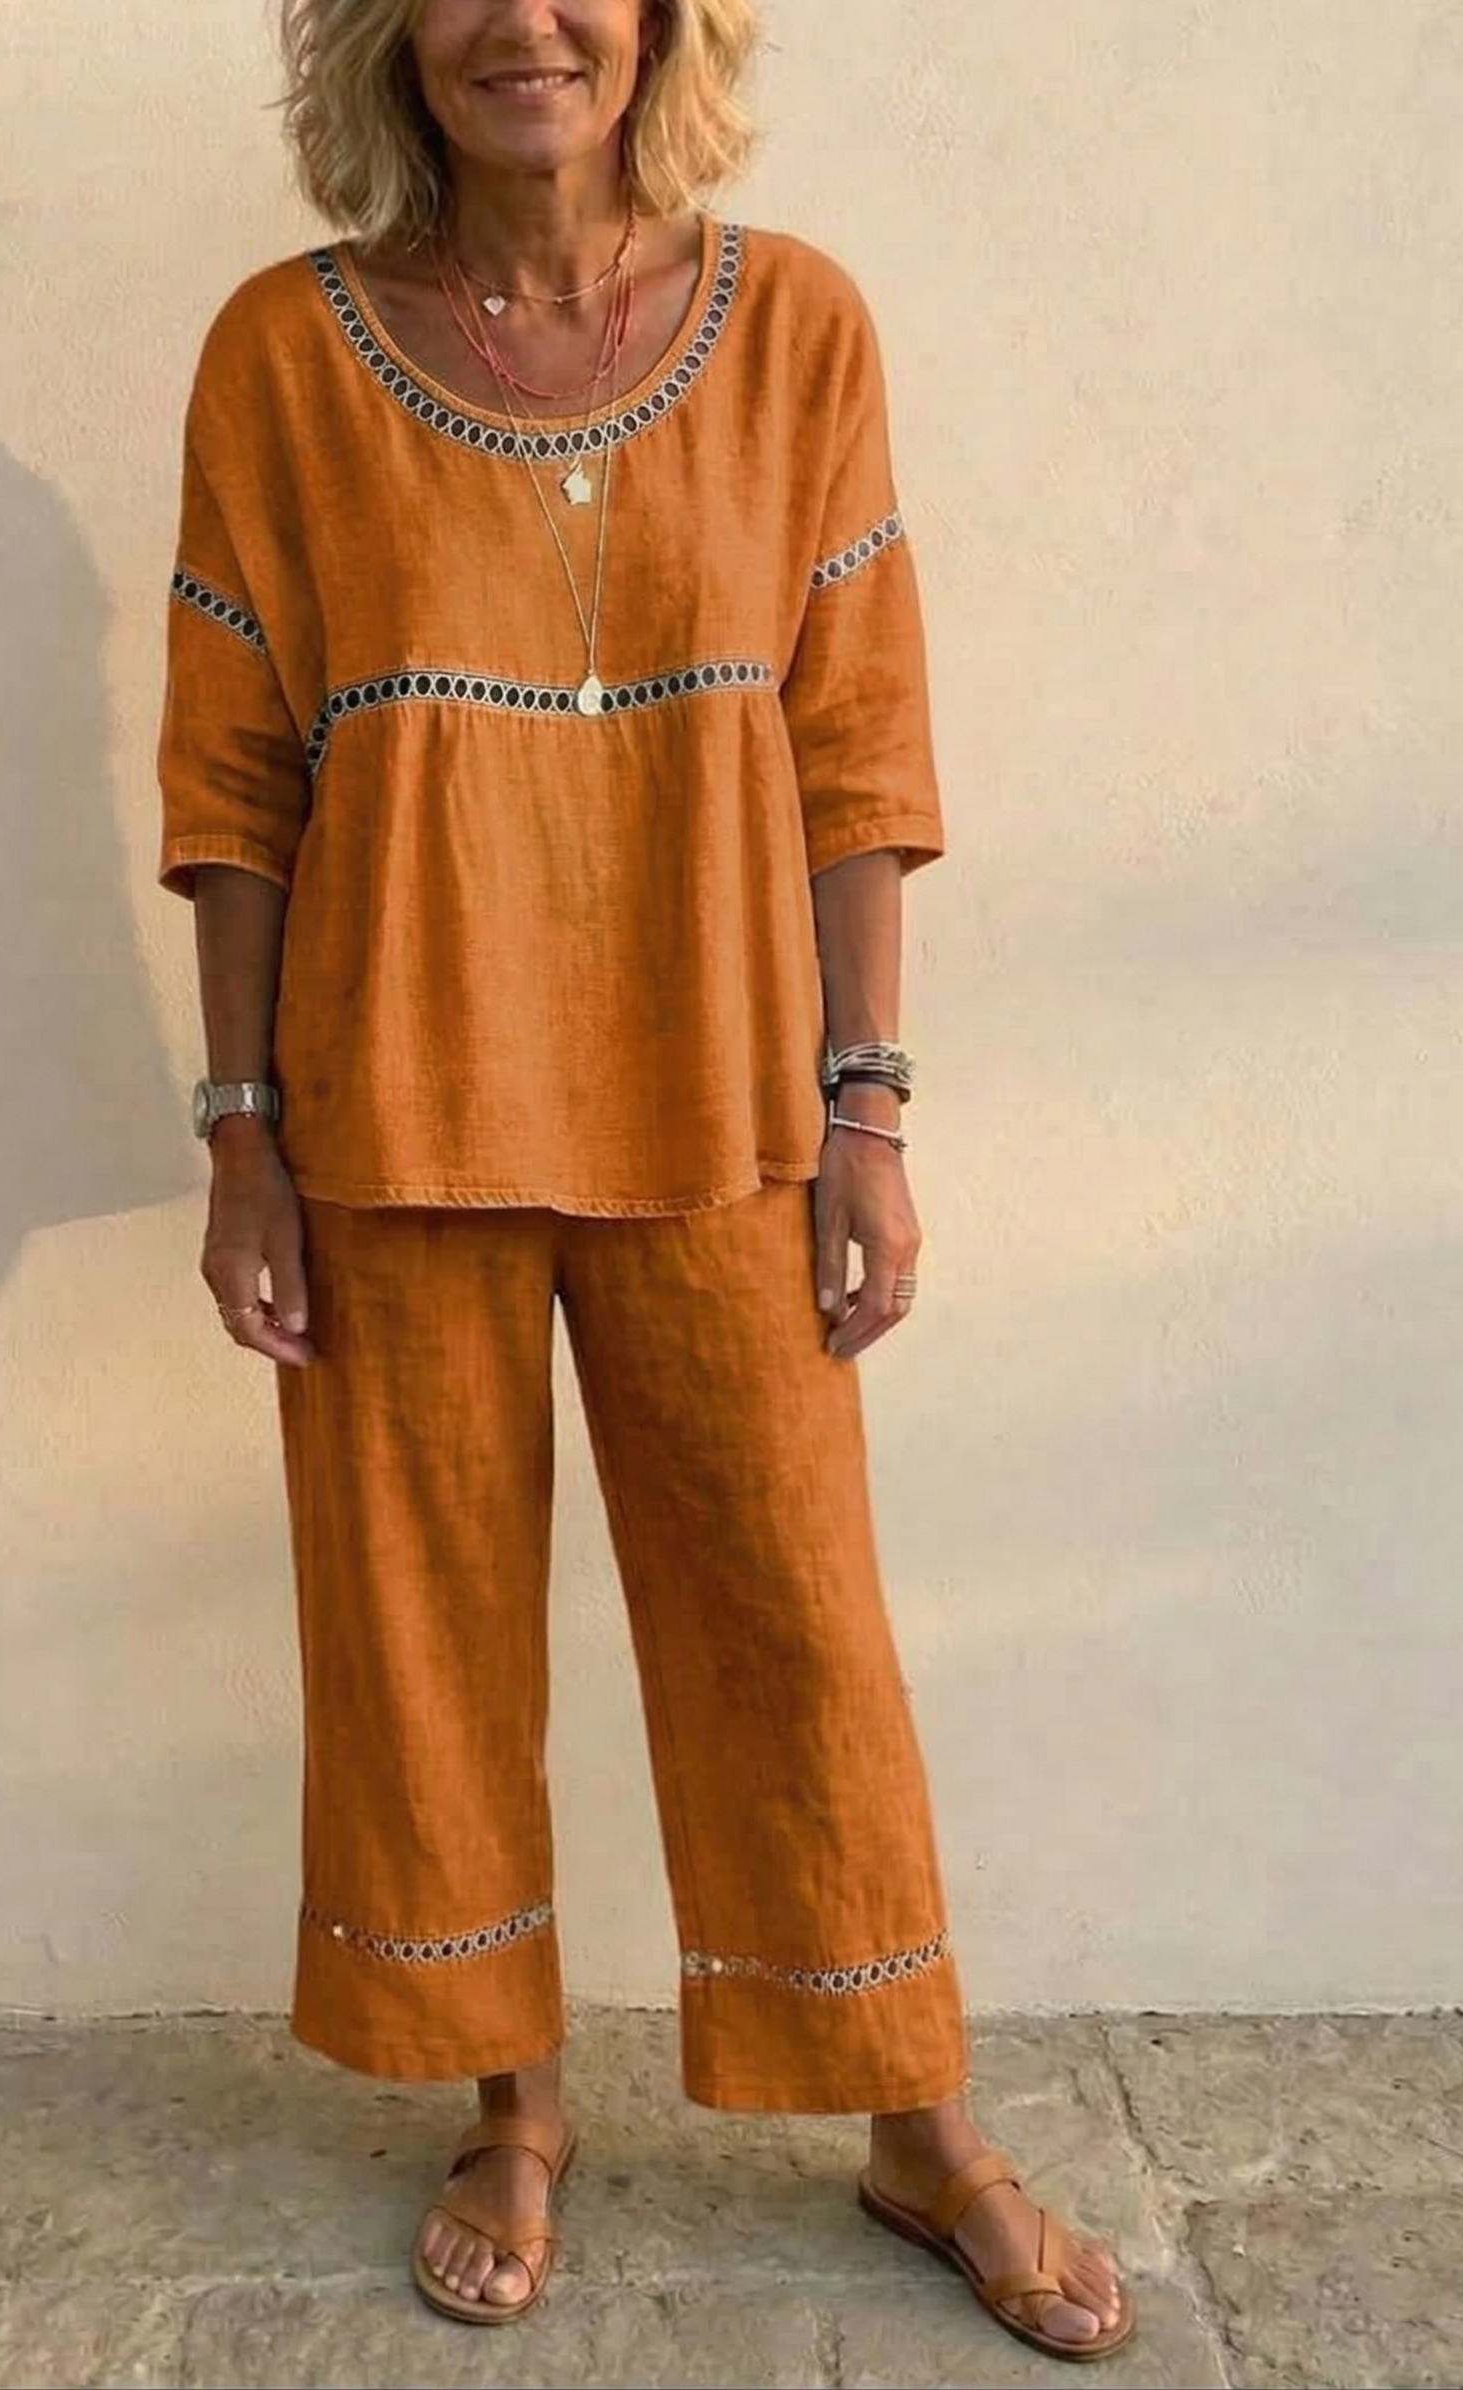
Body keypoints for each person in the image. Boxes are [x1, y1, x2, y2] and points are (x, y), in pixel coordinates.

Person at [156, 0, 1133, 2360]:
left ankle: (912, 2117)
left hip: (722, 1098)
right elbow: (232, 776)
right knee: (420, 1624)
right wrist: (241, 1136)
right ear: (387, 36)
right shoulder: (281, 353)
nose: (525, 21)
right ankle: (512, 2106)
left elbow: (855, 740)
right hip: (388, 1098)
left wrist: (868, 1107)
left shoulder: (791, 326)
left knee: (791, 1613)